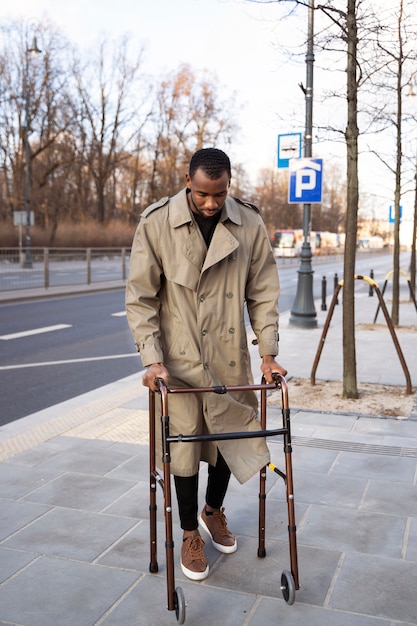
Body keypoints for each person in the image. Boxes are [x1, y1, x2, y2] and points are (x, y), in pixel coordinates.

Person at [126, 147, 286, 581]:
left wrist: (268, 354)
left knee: (227, 441)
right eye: (201, 195)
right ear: (187, 181)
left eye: (219, 193)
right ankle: (188, 533)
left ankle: (213, 511)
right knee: (183, 448)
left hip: (230, 357)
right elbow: (140, 297)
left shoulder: (248, 222)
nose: (211, 203)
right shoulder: (157, 222)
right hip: (177, 362)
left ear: (230, 184)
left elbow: (264, 292)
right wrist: (152, 359)